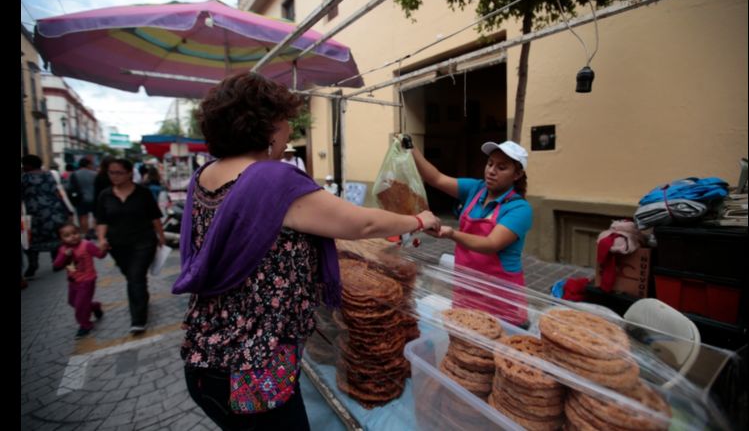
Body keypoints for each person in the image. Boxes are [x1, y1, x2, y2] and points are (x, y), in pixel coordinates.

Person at [172, 72, 440, 430]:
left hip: (204, 359)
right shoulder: (271, 180)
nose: (288, 131)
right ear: (268, 127)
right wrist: (418, 220)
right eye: (286, 122)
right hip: (254, 372)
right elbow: (361, 224)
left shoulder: (204, 176)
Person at [408, 136, 533, 326]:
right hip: (466, 286)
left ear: (516, 175)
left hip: (500, 295)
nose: (491, 171)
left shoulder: (520, 209)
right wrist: (411, 148)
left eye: (501, 167)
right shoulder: (476, 189)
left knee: (498, 349)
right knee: (464, 348)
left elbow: (491, 244)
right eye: (490, 164)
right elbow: (436, 178)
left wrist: (452, 233)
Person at [95, 158, 165, 334]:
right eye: (111, 172)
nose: (115, 176)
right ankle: (142, 298)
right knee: (132, 277)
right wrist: (101, 238)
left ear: (129, 173)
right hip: (117, 244)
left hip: (144, 241)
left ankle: (138, 319)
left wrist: (161, 236)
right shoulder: (105, 195)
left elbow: (154, 216)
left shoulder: (143, 193)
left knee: (135, 276)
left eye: (119, 172)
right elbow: (102, 220)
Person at [21, 154, 72, 279]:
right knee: (55, 237)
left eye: (24, 164)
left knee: (31, 240)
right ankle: (56, 263)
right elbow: (61, 191)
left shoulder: (24, 178)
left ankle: (33, 265)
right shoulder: (51, 175)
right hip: (54, 211)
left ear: (29, 165)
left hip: (34, 215)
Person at [53, 223, 106, 339]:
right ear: (61, 238)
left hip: (87, 280)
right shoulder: (63, 249)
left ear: (80, 233)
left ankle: (85, 325)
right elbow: (56, 265)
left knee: (80, 305)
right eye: (67, 235)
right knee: (73, 302)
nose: (72, 237)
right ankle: (95, 306)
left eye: (75, 233)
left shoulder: (86, 245)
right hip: (73, 282)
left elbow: (100, 255)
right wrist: (64, 255)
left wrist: (104, 248)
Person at [69, 157, 98, 237]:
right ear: (88, 164)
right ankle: (95, 232)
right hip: (94, 198)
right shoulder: (95, 174)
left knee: (83, 217)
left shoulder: (74, 174)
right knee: (96, 217)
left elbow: (71, 188)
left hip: (81, 199)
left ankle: (85, 233)